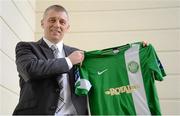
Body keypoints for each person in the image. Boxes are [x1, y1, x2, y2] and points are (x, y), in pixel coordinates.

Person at [13, 4, 88, 115]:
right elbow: (30, 70)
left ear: (67, 27)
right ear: (42, 23)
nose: (57, 25)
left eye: (62, 22)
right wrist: (68, 61)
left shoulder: (78, 54)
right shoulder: (26, 47)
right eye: (52, 20)